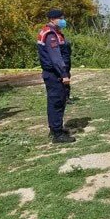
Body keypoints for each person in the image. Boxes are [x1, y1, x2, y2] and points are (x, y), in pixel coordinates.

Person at [37, 9, 75, 143]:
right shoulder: (51, 34)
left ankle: (55, 128)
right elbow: (56, 58)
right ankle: (57, 134)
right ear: (52, 19)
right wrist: (64, 74)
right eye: (61, 18)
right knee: (57, 102)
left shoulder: (51, 32)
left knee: (56, 101)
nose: (63, 20)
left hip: (53, 73)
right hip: (55, 74)